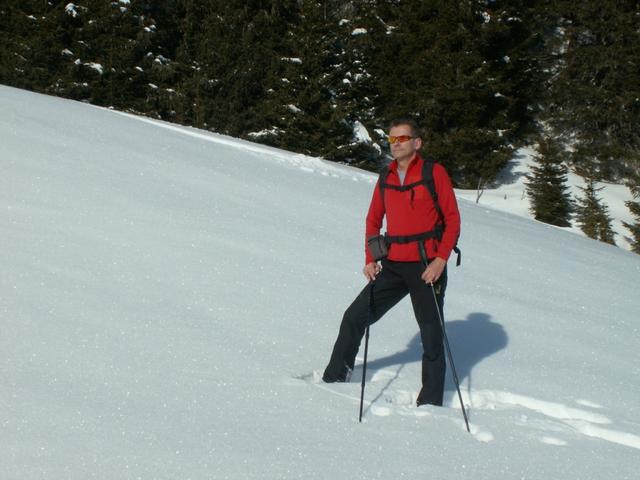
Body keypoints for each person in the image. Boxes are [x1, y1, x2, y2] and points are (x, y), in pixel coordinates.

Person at [322, 118, 461, 407]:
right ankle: (335, 379)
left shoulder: (434, 173)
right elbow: (373, 219)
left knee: (431, 335)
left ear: (417, 143)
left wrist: (440, 261)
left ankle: (431, 402)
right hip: (394, 266)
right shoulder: (385, 176)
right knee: (354, 317)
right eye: (391, 139)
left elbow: (452, 220)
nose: (395, 144)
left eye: (402, 139)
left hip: (426, 267)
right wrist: (371, 258)